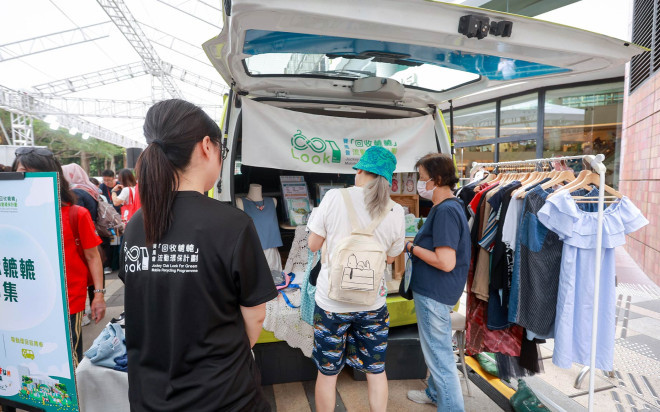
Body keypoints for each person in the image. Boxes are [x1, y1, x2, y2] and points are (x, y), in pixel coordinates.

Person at [119, 99, 277, 411]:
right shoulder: (232, 224)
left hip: (150, 395)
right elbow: (255, 315)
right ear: (207, 146)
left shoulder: (138, 223)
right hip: (223, 396)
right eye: (223, 150)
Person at [307, 146, 405, 412]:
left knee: (327, 374)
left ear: (361, 170)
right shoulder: (396, 211)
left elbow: (313, 244)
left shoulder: (333, 197)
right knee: (375, 370)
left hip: (331, 303)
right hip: (372, 304)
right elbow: (389, 258)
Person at [13, 147, 106, 368]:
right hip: (24, 300)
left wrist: (99, 296)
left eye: (33, 173)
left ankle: (71, 402)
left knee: (67, 359)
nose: (27, 180)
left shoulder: (76, 214)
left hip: (67, 301)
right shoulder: (12, 214)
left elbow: (93, 257)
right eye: (21, 173)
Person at [405, 153, 470, 412]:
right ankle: (435, 393)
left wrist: (410, 247)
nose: (421, 184)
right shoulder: (450, 207)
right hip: (437, 291)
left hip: (435, 292)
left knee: (440, 356)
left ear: (438, 179)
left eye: (422, 178)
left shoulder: (445, 211)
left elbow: (446, 261)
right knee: (436, 349)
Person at [62, 163, 107, 326]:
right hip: (95, 235)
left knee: (85, 275)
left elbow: (73, 216)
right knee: (92, 277)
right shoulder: (91, 189)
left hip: (81, 239)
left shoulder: (77, 193)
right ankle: (90, 307)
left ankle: (83, 312)